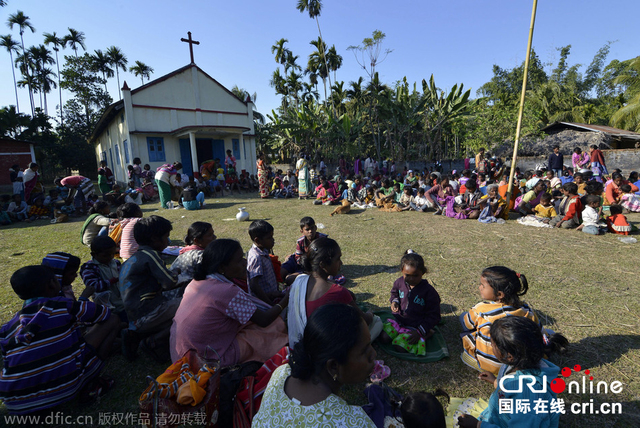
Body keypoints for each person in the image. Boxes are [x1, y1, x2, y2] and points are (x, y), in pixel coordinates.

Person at [0, 265, 121, 414]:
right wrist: (83, 298)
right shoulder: (61, 305)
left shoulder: (7, 327)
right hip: (67, 386)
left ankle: (35, 404)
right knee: (113, 320)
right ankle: (92, 384)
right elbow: (103, 314)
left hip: (15, 402)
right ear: (52, 284)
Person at [252, 303, 377, 428]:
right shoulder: (355, 422)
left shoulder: (281, 373)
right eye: (365, 351)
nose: (374, 354)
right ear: (333, 366)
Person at [170, 239, 288, 366]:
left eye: (243, 257)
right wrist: (285, 300)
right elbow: (264, 320)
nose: (245, 262)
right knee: (269, 329)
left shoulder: (197, 283)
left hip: (180, 355)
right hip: (205, 361)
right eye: (239, 260)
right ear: (221, 267)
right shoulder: (226, 291)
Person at [458, 317, 567, 428]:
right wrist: (496, 382)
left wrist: (478, 425)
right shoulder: (518, 363)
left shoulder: (529, 394)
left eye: (493, 344)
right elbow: (509, 394)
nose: (491, 347)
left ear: (509, 355)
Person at [287, 237, 381, 349]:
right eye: (338, 259)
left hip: (301, 343)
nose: (341, 263)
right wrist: (370, 314)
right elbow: (365, 320)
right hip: (325, 349)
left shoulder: (300, 280)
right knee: (377, 322)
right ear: (322, 265)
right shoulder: (337, 292)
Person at [118, 216, 181, 361]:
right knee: (192, 304)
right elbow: (170, 282)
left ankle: (136, 335)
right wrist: (176, 272)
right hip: (148, 313)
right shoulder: (150, 255)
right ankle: (154, 341)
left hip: (133, 316)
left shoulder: (134, 258)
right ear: (154, 239)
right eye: (166, 237)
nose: (168, 241)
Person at [460, 266, 541, 375]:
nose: (479, 288)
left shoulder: (480, 309)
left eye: (483, 286)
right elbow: (539, 332)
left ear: (499, 294)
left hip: (491, 364)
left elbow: (467, 324)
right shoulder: (527, 310)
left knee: (463, 318)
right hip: (520, 363)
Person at [379, 251, 440, 355]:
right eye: (407, 275)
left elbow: (434, 316)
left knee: (400, 347)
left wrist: (420, 331)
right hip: (399, 321)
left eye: (415, 275)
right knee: (383, 338)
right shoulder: (399, 282)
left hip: (416, 326)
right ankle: (400, 331)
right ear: (402, 271)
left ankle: (427, 334)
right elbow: (394, 293)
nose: (411, 279)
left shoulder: (429, 292)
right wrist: (395, 301)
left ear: (423, 272)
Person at [80, 236, 126, 319]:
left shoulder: (116, 263)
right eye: (106, 255)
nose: (111, 257)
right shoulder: (90, 267)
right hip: (106, 306)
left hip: (122, 301)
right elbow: (93, 286)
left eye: (113, 253)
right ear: (93, 254)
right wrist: (111, 281)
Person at [247, 220, 282, 305]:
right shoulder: (256, 257)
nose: (273, 240)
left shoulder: (264, 251)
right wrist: (269, 303)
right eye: (269, 238)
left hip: (272, 297)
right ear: (258, 241)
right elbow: (254, 285)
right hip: (264, 303)